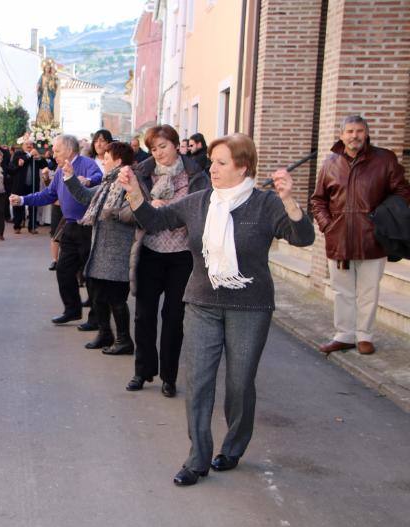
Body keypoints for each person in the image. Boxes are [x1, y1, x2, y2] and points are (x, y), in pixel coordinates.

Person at [117, 133, 315, 486]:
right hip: (202, 303)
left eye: (223, 163)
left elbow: (302, 237)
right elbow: (155, 221)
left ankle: (234, 446)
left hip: (249, 306)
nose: (214, 169)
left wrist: (290, 202)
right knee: (198, 381)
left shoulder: (265, 204)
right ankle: (197, 457)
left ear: (244, 166)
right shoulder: (199, 202)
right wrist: (134, 191)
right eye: (213, 162)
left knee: (239, 383)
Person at [310, 116, 410, 356]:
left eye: (359, 131)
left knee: (368, 290)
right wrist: (327, 225)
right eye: (350, 131)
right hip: (339, 239)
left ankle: (364, 335)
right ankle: (344, 335)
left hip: (372, 239)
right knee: (342, 291)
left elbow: (402, 191)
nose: (354, 136)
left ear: (366, 133)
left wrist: (382, 218)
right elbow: (318, 200)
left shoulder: (384, 160)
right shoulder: (330, 163)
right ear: (341, 134)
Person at [122, 125, 210, 396]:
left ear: (176, 145)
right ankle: (142, 371)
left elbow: (204, 211)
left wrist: (172, 213)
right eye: (154, 148)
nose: (159, 153)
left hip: (183, 256)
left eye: (163, 146)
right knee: (144, 314)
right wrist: (146, 208)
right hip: (149, 251)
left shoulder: (196, 175)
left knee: (174, 317)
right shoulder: (142, 174)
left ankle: (169, 377)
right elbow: (124, 213)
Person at [10, 134, 103, 324]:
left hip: (88, 226)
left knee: (90, 274)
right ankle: (72, 310)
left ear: (69, 150)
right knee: (64, 270)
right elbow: (49, 194)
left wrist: (87, 181)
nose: (54, 155)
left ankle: (96, 318)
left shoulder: (87, 163)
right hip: (69, 225)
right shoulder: (60, 171)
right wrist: (23, 200)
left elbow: (99, 178)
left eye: (57, 150)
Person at [63, 142, 137, 355]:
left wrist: (112, 213)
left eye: (107, 156)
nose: (103, 160)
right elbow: (86, 196)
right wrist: (69, 176)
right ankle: (105, 333)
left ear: (119, 160)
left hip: (118, 250)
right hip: (101, 249)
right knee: (97, 295)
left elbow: (134, 211)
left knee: (116, 298)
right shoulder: (107, 182)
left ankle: (124, 340)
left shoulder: (128, 181)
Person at [9, 140, 42, 234]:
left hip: (33, 184)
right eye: (26, 144)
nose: (29, 145)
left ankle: (32, 227)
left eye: (31, 144)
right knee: (18, 205)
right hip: (20, 184)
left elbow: (44, 165)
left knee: (33, 205)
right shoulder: (18, 154)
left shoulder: (35, 155)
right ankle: (17, 225)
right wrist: (29, 155)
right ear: (22, 146)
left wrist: (39, 157)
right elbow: (18, 163)